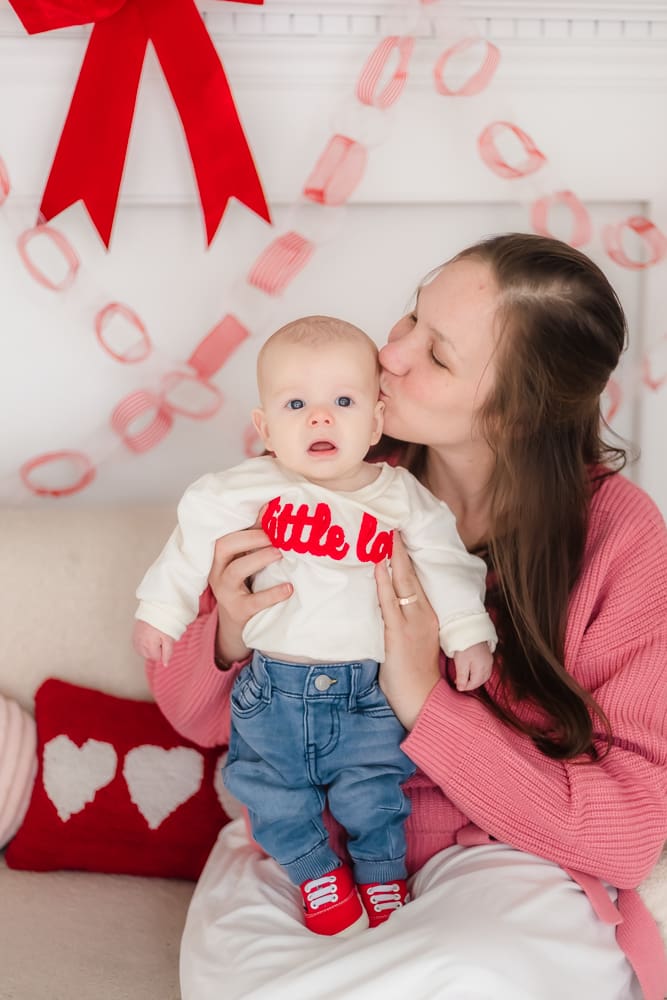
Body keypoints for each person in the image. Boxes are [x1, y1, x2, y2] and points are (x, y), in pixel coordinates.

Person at [145, 234, 667, 1000]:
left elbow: (625, 836)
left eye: (438, 355)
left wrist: (421, 694)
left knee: (467, 974)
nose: (389, 357)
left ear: (518, 413)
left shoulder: (618, 536)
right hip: (309, 852)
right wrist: (227, 631)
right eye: (408, 320)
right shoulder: (316, 469)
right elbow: (193, 719)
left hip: (499, 861)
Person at [133, 315, 497, 937]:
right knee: (265, 788)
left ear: (377, 421)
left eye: (343, 402)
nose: (320, 418)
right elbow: (191, 542)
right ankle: (316, 875)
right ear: (265, 427)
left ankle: (382, 880)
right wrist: (162, 611)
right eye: (296, 404)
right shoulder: (246, 487)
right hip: (273, 688)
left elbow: (445, 562)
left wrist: (467, 631)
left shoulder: (401, 496)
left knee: (376, 793)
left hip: (369, 693)